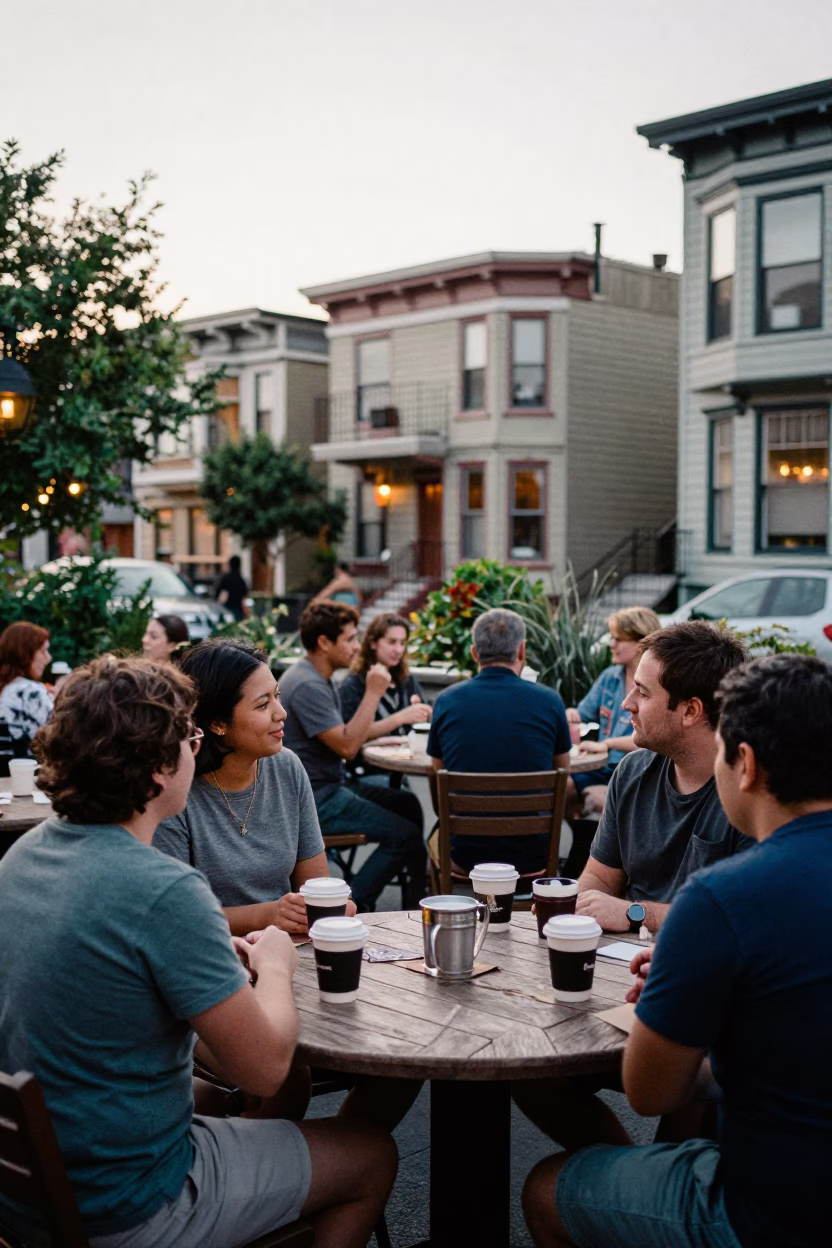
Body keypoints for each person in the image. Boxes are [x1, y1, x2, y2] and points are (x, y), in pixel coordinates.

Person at [0, 655, 396, 1248]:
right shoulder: (165, 891)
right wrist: (275, 965)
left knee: (227, 1101)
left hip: (30, 1191)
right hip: (133, 1201)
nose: (196, 750)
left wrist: (206, 950)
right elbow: (266, 1068)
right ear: (159, 770)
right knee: (371, 1153)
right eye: (188, 739)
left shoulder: (20, 858)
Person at [522, 653, 832, 1248]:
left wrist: (679, 1002)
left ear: (745, 764)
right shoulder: (641, 781)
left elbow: (651, 1092)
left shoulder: (719, 900)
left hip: (772, 1213)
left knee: (545, 1188)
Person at [514, 620, 751, 1151]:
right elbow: (600, 878)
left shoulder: (745, 792)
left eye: (642, 693)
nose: (626, 705)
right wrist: (575, 908)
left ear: (690, 710)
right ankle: (622, 1171)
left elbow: (739, 925)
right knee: (529, 1065)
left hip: (699, 996)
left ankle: (664, 1174)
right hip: (618, 980)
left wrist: (635, 912)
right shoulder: (633, 772)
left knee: (698, 1059)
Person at [154, 638, 338, 937]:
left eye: (277, 696)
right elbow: (176, 915)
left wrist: (328, 907)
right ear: (217, 723)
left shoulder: (287, 767)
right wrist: (267, 915)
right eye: (263, 704)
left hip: (287, 947)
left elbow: (315, 887)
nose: (281, 712)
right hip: (209, 951)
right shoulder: (177, 789)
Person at [279, 601, 426, 912]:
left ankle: (416, 902)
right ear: (324, 642)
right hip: (317, 799)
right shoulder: (307, 685)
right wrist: (374, 692)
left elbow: (346, 736)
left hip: (333, 786)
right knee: (406, 836)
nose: (357, 646)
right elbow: (348, 746)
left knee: (408, 804)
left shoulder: (318, 677)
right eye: (349, 639)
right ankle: (349, 905)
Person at [427, 608, 572, 874]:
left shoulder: (446, 701)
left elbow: (437, 774)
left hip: (466, 855)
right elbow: (563, 770)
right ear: (522, 651)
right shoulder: (550, 701)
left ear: (474, 653)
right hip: (534, 854)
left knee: (431, 839)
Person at [564, 606, 661, 816]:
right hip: (604, 768)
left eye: (618, 639)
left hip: (640, 770)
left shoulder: (658, 684)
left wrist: (607, 744)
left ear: (640, 643)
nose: (611, 644)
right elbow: (582, 714)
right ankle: (584, 834)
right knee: (563, 784)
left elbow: (653, 738)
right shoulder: (609, 677)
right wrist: (571, 714)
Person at [340, 612, 431, 783]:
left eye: (403, 643)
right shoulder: (354, 684)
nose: (398, 650)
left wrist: (426, 713)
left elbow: (425, 720)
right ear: (373, 643)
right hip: (368, 771)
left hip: (404, 767)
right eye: (391, 642)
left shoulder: (406, 679)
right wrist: (400, 718)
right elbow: (351, 736)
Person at [0, 621, 53, 755]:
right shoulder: (29, 691)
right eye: (43, 651)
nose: (48, 658)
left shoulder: (6, 688)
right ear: (25, 654)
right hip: (27, 767)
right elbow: (62, 737)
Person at [215, 554, 249, 621]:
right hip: (238, 608)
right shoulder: (241, 580)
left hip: (228, 608)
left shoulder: (226, 578)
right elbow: (245, 595)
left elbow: (220, 593)